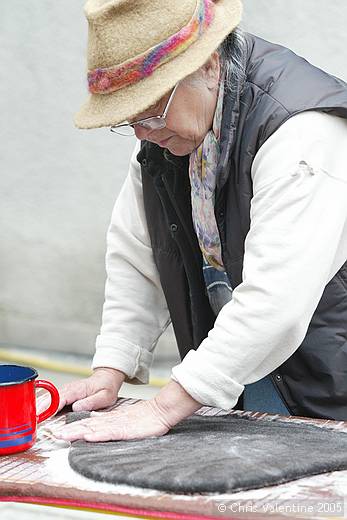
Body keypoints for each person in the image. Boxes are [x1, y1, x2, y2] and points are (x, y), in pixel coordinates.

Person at [48, 0, 347, 443]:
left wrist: (166, 407)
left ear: (208, 66)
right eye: (128, 119)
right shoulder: (163, 137)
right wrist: (110, 369)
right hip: (236, 371)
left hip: (329, 380)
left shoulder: (301, 132)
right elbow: (136, 257)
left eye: (149, 109)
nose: (141, 132)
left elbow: (275, 302)